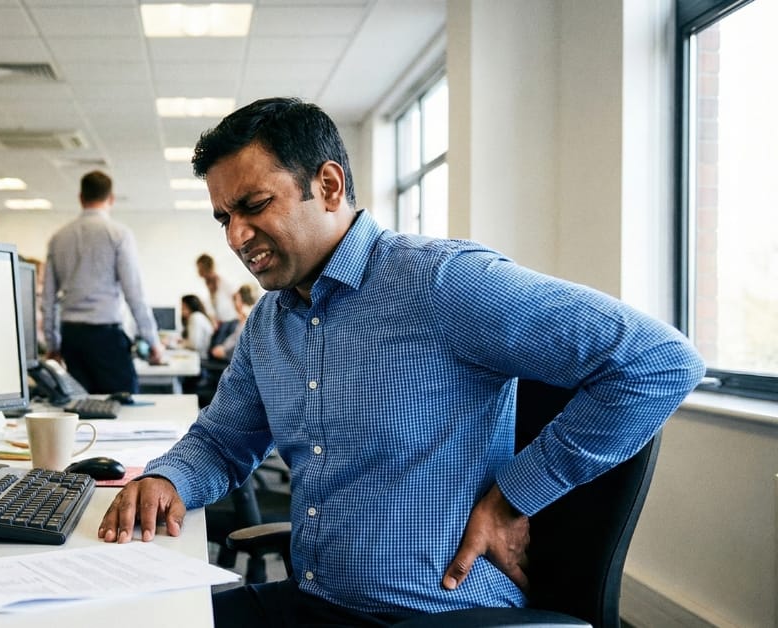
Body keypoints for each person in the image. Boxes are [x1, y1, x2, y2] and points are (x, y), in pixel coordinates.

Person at [99, 98, 704, 626]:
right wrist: (168, 478)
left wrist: (513, 497)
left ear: (328, 185)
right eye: (224, 218)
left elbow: (659, 361)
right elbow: (222, 440)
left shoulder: (442, 283)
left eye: (254, 205)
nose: (235, 237)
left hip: (436, 614)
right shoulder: (271, 321)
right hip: (316, 602)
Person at [41, 170, 163, 394]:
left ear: (81, 198)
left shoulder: (58, 238)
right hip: (106, 337)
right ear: (111, 199)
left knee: (80, 405)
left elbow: (48, 299)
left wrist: (52, 345)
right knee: (124, 404)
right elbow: (134, 293)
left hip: (72, 337)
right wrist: (152, 341)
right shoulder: (118, 234)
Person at [208, 283, 256, 361]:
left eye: (236, 299)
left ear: (244, 300)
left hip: (230, 359)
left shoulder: (249, 320)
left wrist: (225, 353)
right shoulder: (239, 321)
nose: (234, 304)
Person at [196, 253, 239, 327]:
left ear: (207, 266)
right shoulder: (207, 283)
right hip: (220, 322)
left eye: (200, 267)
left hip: (231, 320)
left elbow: (235, 296)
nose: (198, 271)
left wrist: (240, 314)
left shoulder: (222, 281)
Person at [179, 295, 215, 359]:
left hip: (200, 357)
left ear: (190, 306)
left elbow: (194, 344)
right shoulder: (198, 316)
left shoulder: (195, 317)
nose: (181, 310)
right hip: (199, 356)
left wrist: (178, 344)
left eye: (183, 307)